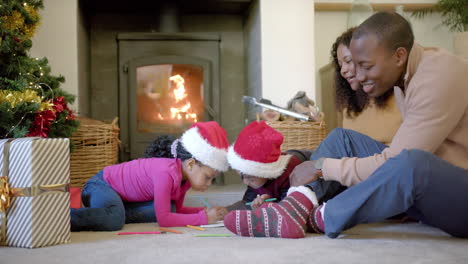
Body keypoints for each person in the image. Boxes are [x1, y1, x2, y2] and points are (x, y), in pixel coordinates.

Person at [223, 11, 468, 239]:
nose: (358, 76)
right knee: (342, 140)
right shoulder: (405, 76)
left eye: (366, 66)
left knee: (410, 164)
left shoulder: (438, 75)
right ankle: (291, 208)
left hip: (457, 195)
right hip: (432, 185)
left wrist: (322, 167)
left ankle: (320, 217)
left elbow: (399, 161)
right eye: (353, 65)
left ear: (399, 55)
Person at [71, 121, 230, 231]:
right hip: (100, 185)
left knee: (172, 208)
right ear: (190, 164)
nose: (209, 183)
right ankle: (65, 217)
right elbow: (164, 220)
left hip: (120, 198)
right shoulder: (165, 173)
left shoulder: (185, 180)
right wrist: (204, 219)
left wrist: (203, 212)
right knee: (115, 219)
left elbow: (179, 210)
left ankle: (112, 212)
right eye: (207, 177)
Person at [225, 121, 305, 211]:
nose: (246, 182)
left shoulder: (287, 176)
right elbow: (247, 202)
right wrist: (226, 210)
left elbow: (289, 207)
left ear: (266, 173)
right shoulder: (252, 176)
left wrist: (269, 205)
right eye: (241, 177)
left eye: (251, 179)